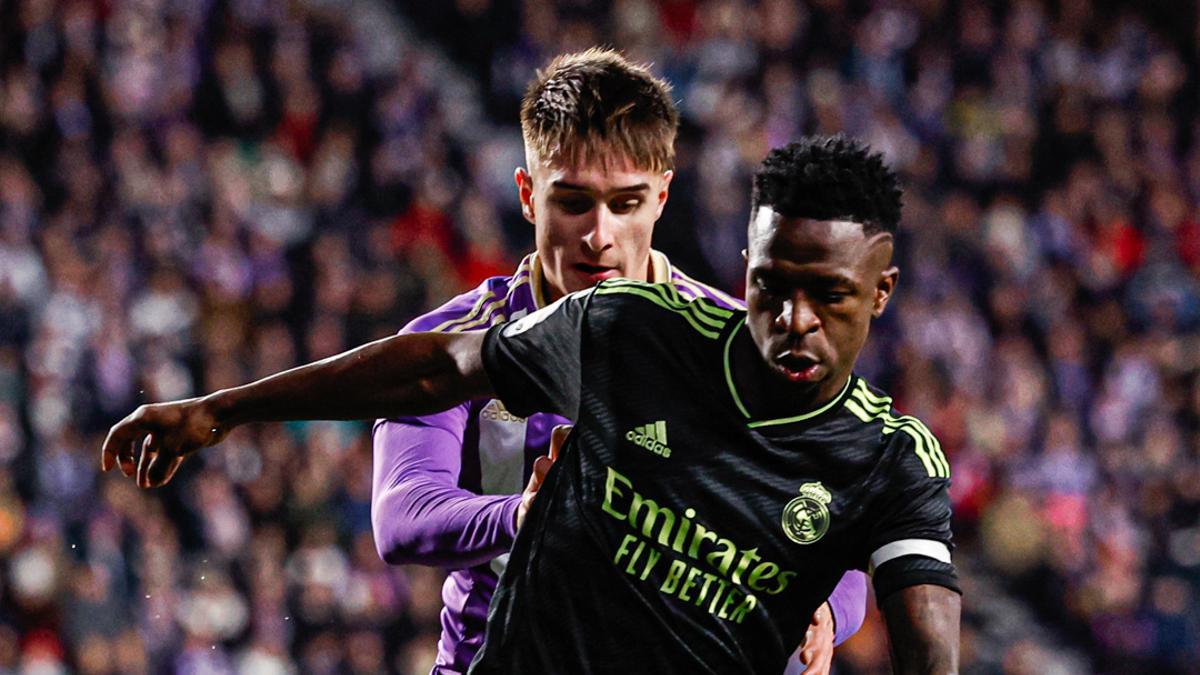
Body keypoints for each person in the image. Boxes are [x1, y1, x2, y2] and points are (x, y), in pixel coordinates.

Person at [101, 134, 960, 673]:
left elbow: (905, 618)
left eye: (829, 298)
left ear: (880, 294)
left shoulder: (891, 458)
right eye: (771, 287)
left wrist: (825, 612)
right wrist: (223, 409)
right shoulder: (631, 330)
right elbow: (430, 389)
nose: (793, 320)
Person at [369, 49, 863, 673]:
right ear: (528, 196)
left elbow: (838, 537)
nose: (599, 235)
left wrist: (824, 609)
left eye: (625, 204)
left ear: (661, 197)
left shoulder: (743, 351)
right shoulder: (456, 342)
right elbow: (402, 514)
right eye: (573, 202)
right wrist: (523, 514)